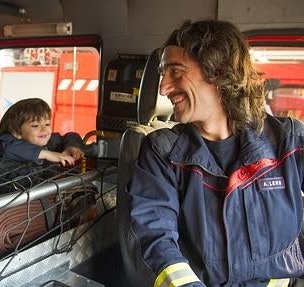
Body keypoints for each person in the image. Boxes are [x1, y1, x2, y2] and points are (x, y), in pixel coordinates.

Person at [128, 20, 304, 286]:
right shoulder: (162, 153)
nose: (163, 88)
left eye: (175, 71)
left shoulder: (289, 141)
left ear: (217, 70)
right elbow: (156, 237)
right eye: (163, 74)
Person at [0, 98, 84, 166]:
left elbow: (71, 136)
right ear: (17, 132)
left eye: (47, 124)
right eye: (35, 126)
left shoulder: (47, 139)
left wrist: (72, 146)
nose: (44, 129)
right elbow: (7, 147)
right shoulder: (7, 142)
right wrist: (47, 155)